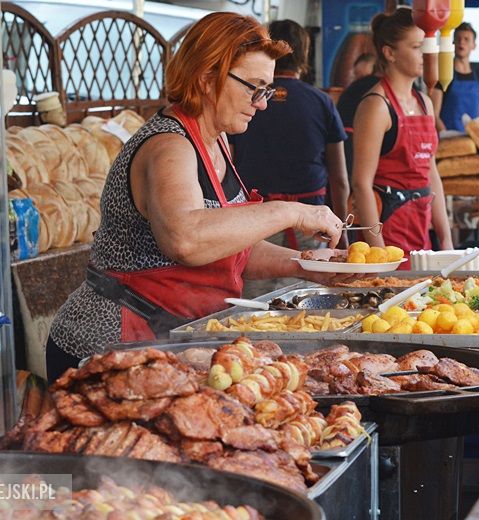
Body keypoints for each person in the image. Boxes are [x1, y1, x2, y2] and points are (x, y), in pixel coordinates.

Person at [45, 12, 348, 382]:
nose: (262, 103)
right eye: (254, 87)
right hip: (110, 346)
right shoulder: (169, 146)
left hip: (166, 341)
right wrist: (289, 212)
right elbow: (186, 239)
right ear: (208, 79)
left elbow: (226, 247)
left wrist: (309, 265)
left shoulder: (217, 141)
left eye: (268, 90)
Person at [229, 19, 350, 296]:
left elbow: (231, 164)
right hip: (313, 221)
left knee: (253, 303)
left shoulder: (246, 99)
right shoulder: (321, 102)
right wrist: (342, 227)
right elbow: (340, 177)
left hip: (253, 219)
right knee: (305, 301)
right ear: (304, 54)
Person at [350, 8, 453, 265]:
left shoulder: (425, 103)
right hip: (387, 230)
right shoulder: (376, 106)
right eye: (417, 46)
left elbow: (431, 174)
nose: (426, 54)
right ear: (390, 52)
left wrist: (446, 239)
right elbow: (361, 184)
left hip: (421, 229)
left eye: (426, 46)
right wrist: (378, 251)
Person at [429, 22, 479, 133]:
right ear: (453, 43)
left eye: (466, 39)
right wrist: (447, 135)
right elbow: (434, 114)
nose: (462, 42)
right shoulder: (443, 74)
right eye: (458, 38)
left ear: (474, 45)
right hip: (449, 139)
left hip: (473, 140)